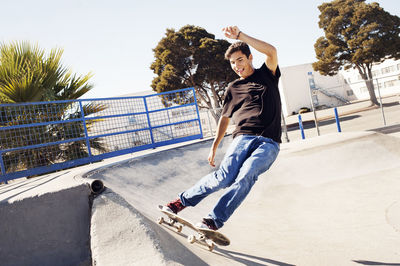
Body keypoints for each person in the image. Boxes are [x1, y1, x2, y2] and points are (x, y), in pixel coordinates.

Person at [163, 26, 282, 230]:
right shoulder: (233, 88)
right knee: (223, 178)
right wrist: (214, 146)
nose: (237, 66)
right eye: (233, 63)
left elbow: (271, 51)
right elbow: (225, 118)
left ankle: (212, 221)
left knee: (247, 176)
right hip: (243, 137)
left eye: (240, 60)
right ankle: (179, 203)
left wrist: (240, 36)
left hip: (269, 144)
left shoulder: (267, 74)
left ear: (250, 57)